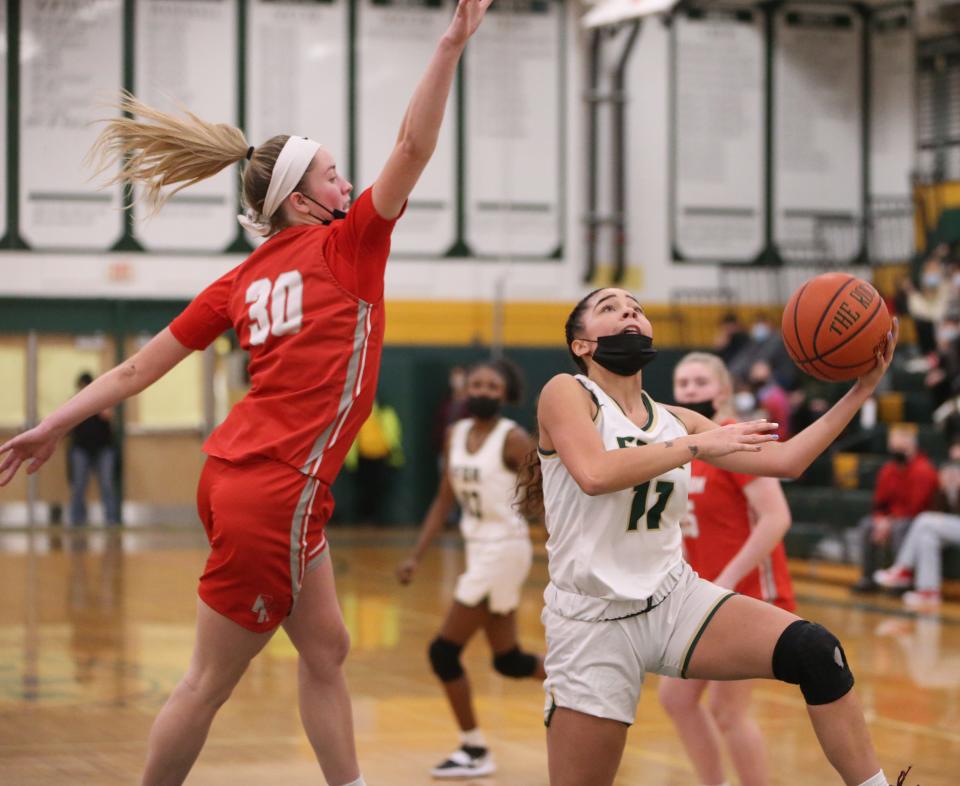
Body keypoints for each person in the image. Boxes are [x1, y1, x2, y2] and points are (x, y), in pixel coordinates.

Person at [0, 4, 493, 785]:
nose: (349, 180)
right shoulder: (349, 242)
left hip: (244, 477)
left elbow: (135, 372)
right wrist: (449, 43)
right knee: (207, 681)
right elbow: (414, 143)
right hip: (279, 490)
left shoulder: (240, 278)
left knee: (325, 647)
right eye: (334, 172)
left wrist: (46, 425)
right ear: (304, 200)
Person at [515, 287, 911, 786]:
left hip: (672, 598)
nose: (629, 312)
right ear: (582, 345)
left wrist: (862, 388)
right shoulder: (567, 392)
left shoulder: (678, 420)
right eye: (610, 309)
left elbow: (786, 460)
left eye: (636, 307)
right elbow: (594, 473)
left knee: (815, 652)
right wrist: (697, 444)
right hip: (592, 620)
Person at [396, 358, 545, 779]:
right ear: (465, 390)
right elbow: (444, 500)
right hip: (478, 549)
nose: (483, 390)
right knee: (508, 661)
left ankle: (474, 748)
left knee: (442, 652)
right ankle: (584, 689)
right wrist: (416, 556)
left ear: (505, 394)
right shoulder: (455, 434)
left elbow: (548, 495)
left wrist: (560, 550)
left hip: (505, 548)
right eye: (477, 383)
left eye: (492, 386)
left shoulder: (513, 438)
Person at [659, 352, 794, 786]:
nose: (691, 390)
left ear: (722, 390)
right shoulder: (681, 446)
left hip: (747, 592)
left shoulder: (738, 437)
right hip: (705, 595)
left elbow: (777, 518)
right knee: (676, 698)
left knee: (727, 711)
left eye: (701, 381)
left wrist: (727, 581)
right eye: (683, 383)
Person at [850, 425, 939, 593]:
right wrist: (879, 520)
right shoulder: (888, 470)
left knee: (901, 527)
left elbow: (916, 508)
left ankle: (904, 582)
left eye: (902, 447)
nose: (897, 451)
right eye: (894, 447)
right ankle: (868, 578)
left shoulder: (924, 470)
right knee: (866, 525)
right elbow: (879, 503)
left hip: (916, 519)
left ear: (913, 447)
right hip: (890, 518)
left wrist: (888, 523)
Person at [874, 459, 960, 609]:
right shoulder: (941, 493)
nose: (949, 478)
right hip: (953, 532)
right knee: (927, 538)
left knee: (924, 519)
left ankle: (903, 568)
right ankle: (929, 591)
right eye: (946, 474)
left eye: (954, 475)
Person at [67, 372, 120, 526]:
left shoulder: (102, 400)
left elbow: (108, 415)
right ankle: (77, 520)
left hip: (103, 448)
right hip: (81, 448)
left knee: (106, 484)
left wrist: (94, 402)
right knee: (78, 485)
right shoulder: (74, 401)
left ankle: (110, 519)